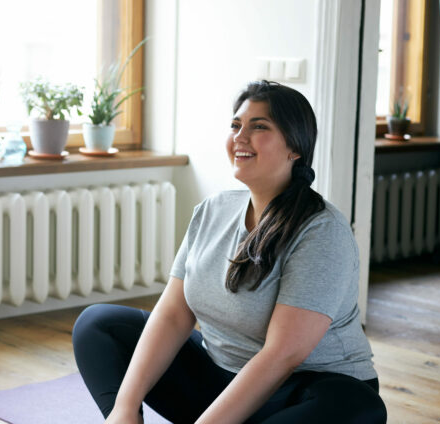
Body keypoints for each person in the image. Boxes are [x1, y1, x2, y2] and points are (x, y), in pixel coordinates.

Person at [72, 80, 388, 424]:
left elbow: (282, 356)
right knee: (98, 325)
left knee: (358, 408)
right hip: (220, 381)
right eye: (236, 125)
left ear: (295, 147)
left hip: (299, 391)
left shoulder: (322, 231)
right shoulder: (212, 210)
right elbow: (173, 315)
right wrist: (123, 407)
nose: (240, 136)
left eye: (259, 127)